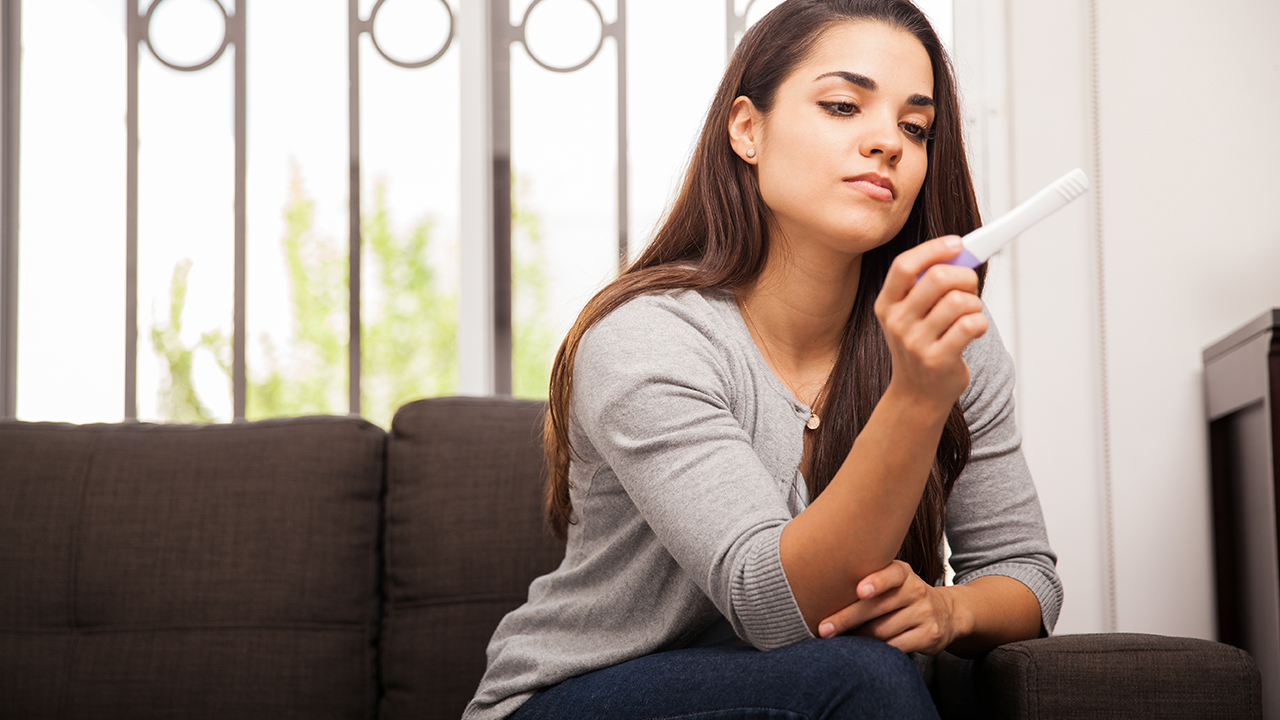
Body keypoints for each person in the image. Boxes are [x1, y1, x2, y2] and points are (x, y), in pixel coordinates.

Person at [465, 1, 1061, 717]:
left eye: (914, 126)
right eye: (844, 106)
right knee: (862, 676)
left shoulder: (948, 334)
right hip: (586, 693)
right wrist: (917, 397)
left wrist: (948, 611)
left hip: (828, 687)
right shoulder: (648, 337)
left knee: (874, 673)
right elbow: (778, 606)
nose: (888, 144)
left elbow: (1027, 576)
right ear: (747, 129)